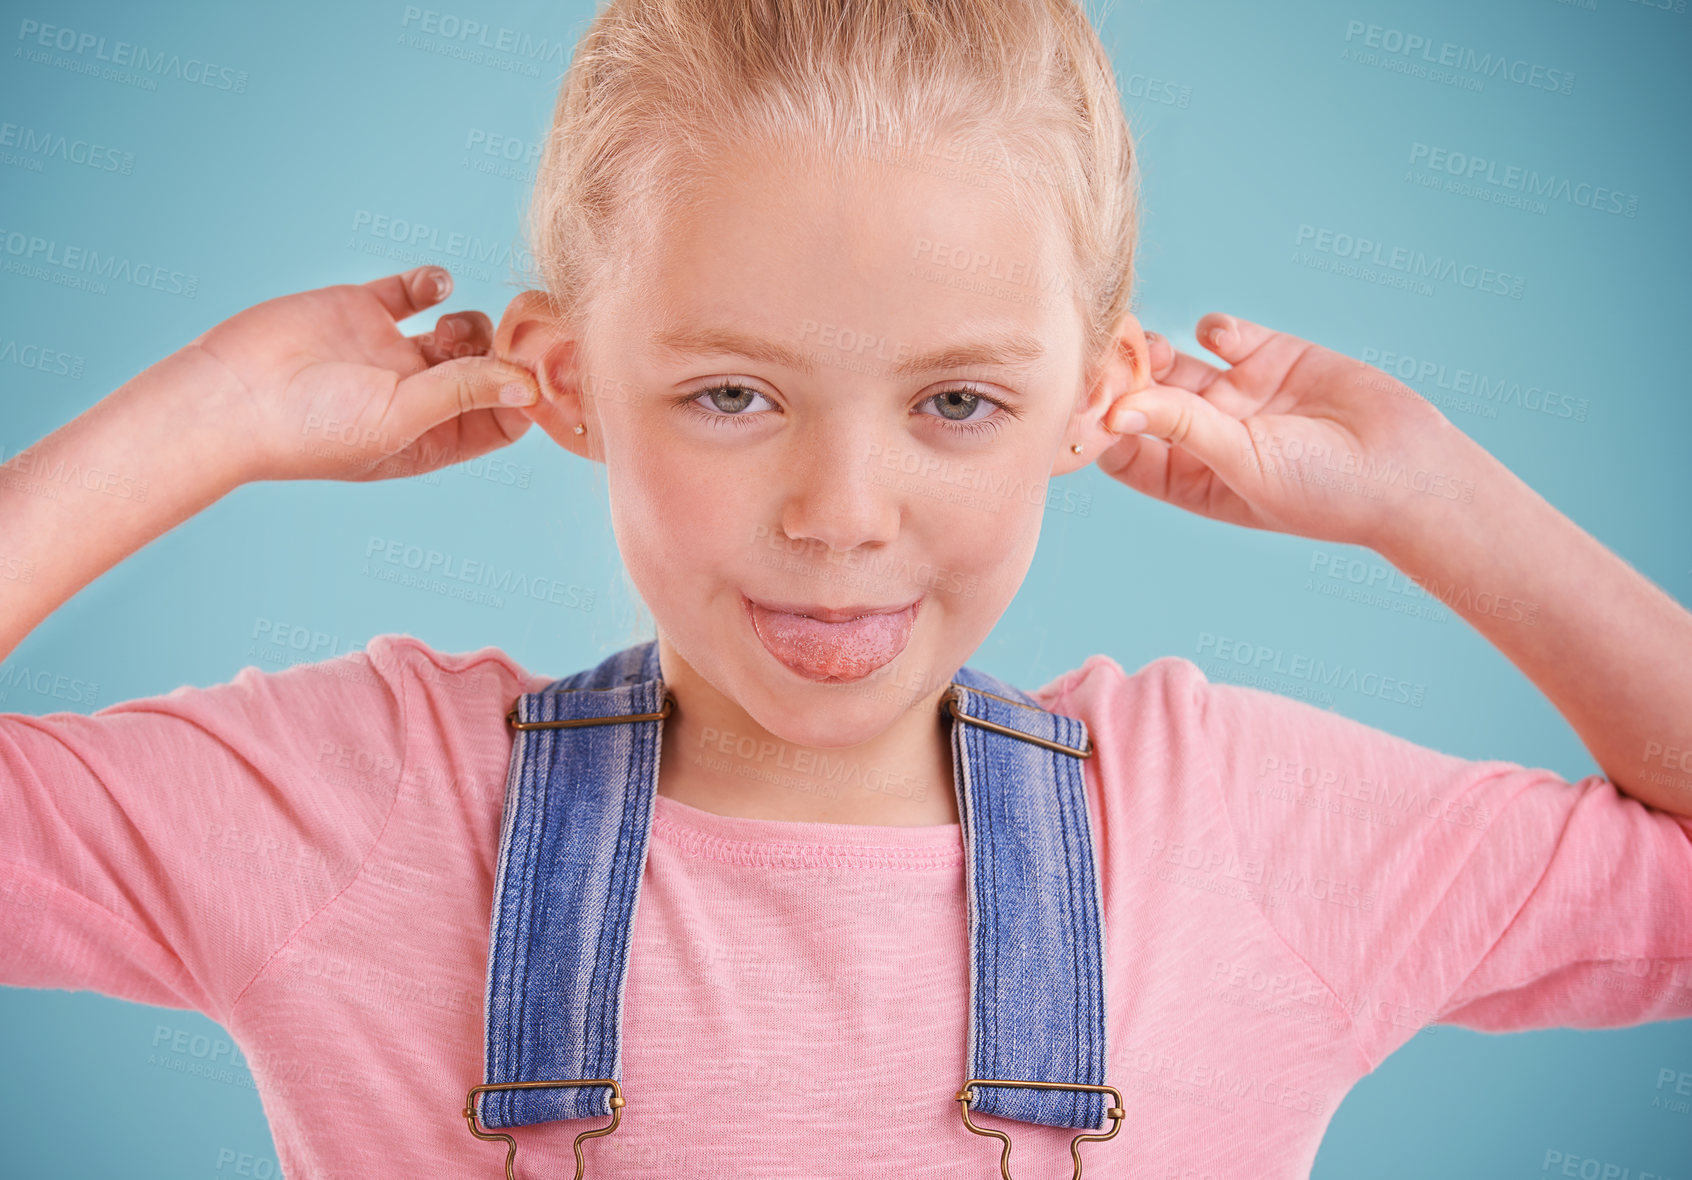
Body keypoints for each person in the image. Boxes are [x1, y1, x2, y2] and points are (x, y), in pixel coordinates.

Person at [4, 1, 1690, 1176]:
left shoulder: (1222, 827)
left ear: (1094, 403)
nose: (839, 513)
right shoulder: (368, 808)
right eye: (732, 394)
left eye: (956, 402)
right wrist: (203, 418)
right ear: (568, 377)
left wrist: (1429, 495)